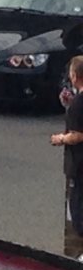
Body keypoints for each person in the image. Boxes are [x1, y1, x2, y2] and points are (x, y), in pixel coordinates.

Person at [52, 56, 83, 236]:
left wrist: (60, 139)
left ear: (74, 75)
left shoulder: (78, 104)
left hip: (79, 164)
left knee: (78, 210)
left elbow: (77, 135)